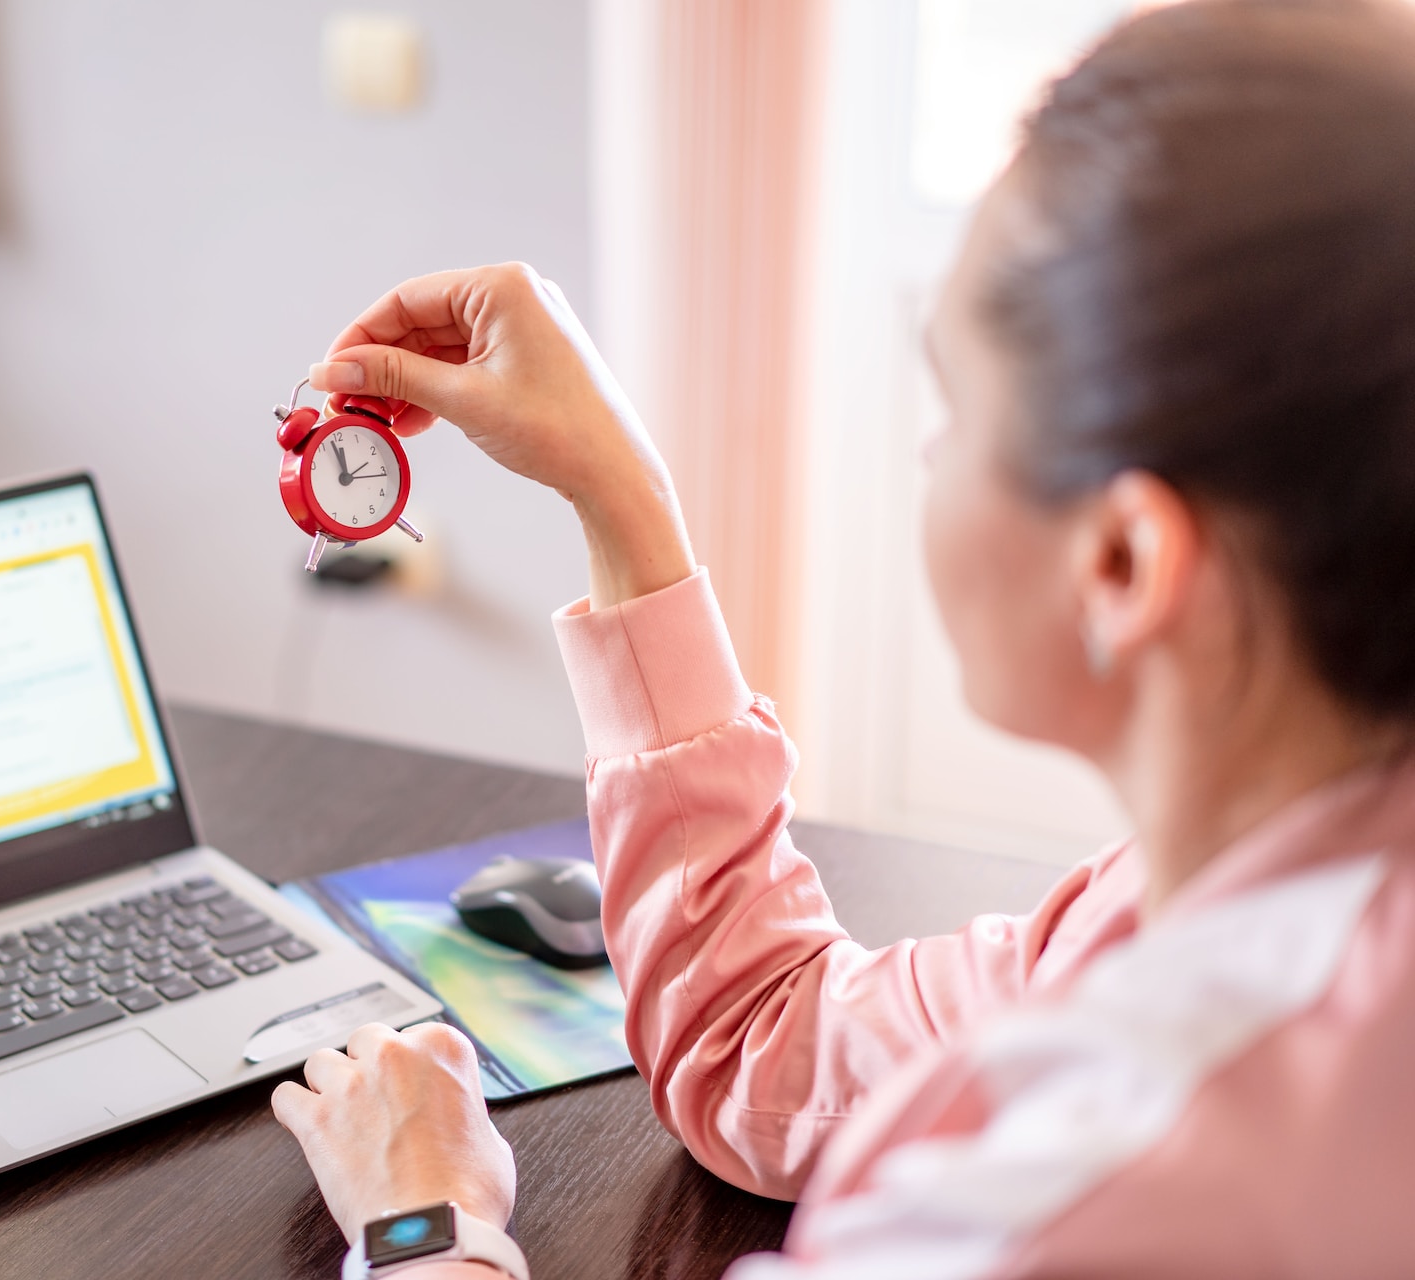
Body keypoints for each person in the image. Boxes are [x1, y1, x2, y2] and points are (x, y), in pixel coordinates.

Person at [269, 1, 1415, 1275]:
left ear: (1122, 561)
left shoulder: (1063, 1201)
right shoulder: (1224, 900)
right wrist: (620, 494)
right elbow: (766, 1051)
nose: (930, 450)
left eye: (961, 403)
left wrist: (419, 1217)